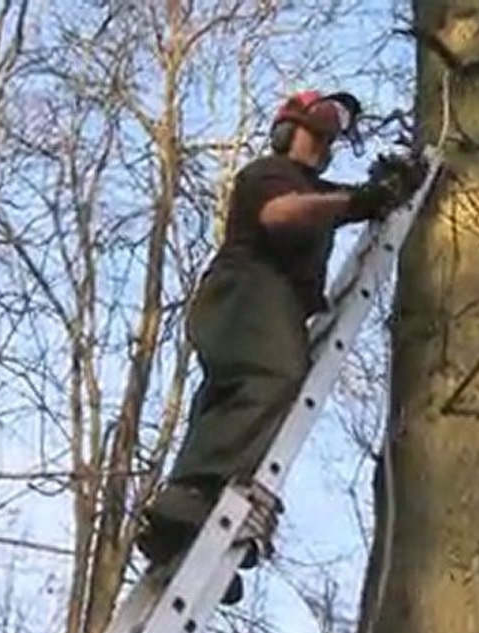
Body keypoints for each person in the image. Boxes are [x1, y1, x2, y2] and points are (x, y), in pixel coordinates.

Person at [136, 90, 420, 604]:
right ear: (299, 127)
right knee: (276, 374)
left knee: (233, 398)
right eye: (326, 130)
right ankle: (199, 496)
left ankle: (186, 532)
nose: (329, 144)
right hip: (249, 289)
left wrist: (380, 191)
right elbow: (282, 215)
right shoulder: (269, 173)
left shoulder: (317, 188)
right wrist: (358, 201)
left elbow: (340, 202)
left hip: (261, 303)